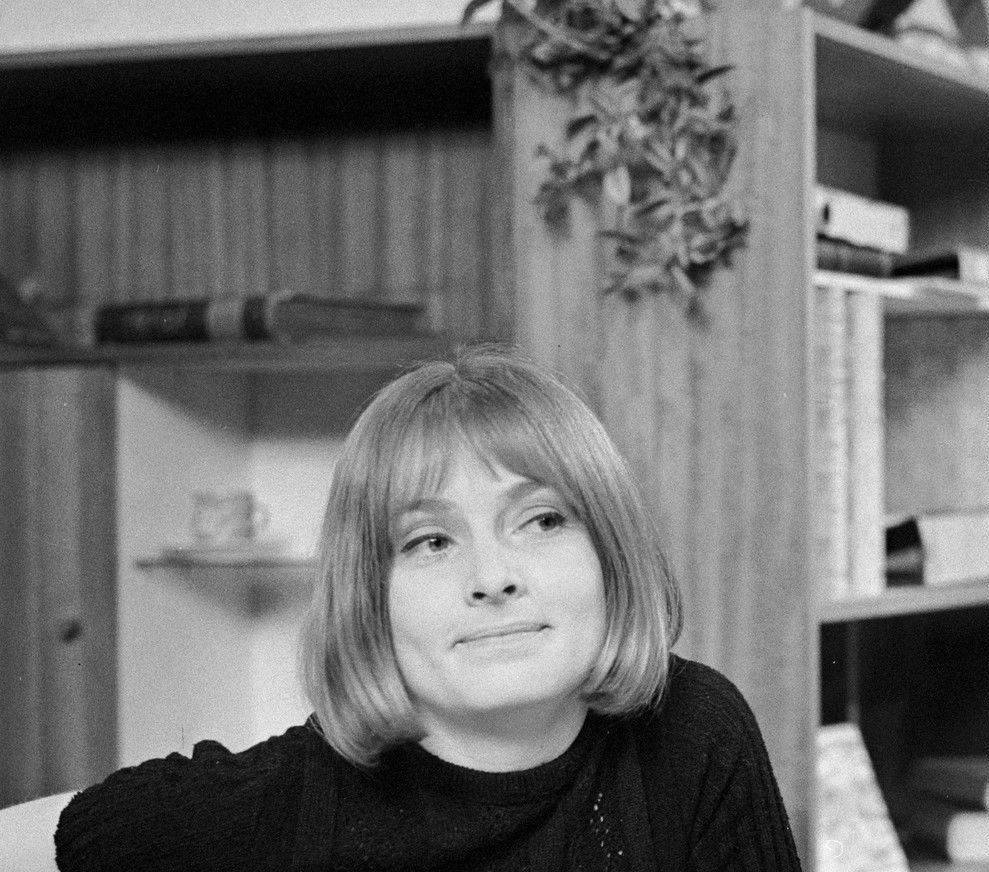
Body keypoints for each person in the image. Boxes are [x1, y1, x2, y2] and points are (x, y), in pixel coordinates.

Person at [0, 347, 802, 871]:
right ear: (370, 597)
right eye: (431, 541)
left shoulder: (694, 731)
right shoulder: (288, 803)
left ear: (610, 550)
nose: (493, 577)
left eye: (542, 520)